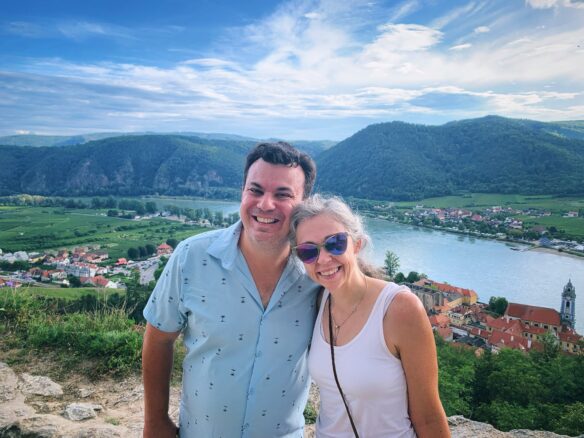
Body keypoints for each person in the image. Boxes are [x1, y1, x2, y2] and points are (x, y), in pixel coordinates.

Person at [142, 142, 320, 438]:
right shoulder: (191, 257)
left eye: (283, 194)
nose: (265, 204)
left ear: (305, 202)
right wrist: (155, 420)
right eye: (256, 190)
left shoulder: (318, 274)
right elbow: (159, 339)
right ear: (242, 191)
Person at [289, 195, 450, 438]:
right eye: (308, 251)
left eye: (335, 243)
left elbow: (428, 417)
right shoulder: (319, 302)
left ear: (356, 244)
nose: (323, 259)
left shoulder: (400, 309)